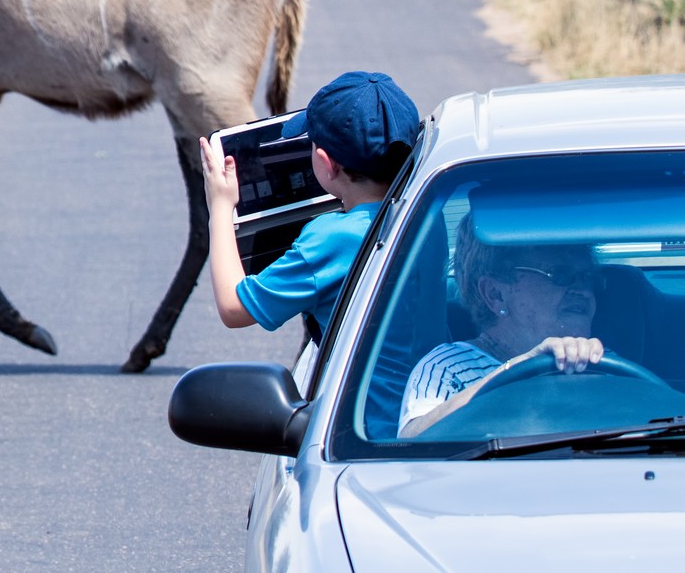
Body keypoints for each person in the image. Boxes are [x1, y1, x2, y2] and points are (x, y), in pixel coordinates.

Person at [201, 70, 420, 339]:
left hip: (365, 370)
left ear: (328, 163)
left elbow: (234, 308)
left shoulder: (331, 239)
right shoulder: (424, 215)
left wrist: (221, 207)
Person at [398, 210, 606, 437]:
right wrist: (519, 367)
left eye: (588, 277)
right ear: (495, 294)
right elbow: (412, 441)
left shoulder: (604, 362)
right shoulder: (448, 368)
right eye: (560, 275)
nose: (583, 291)